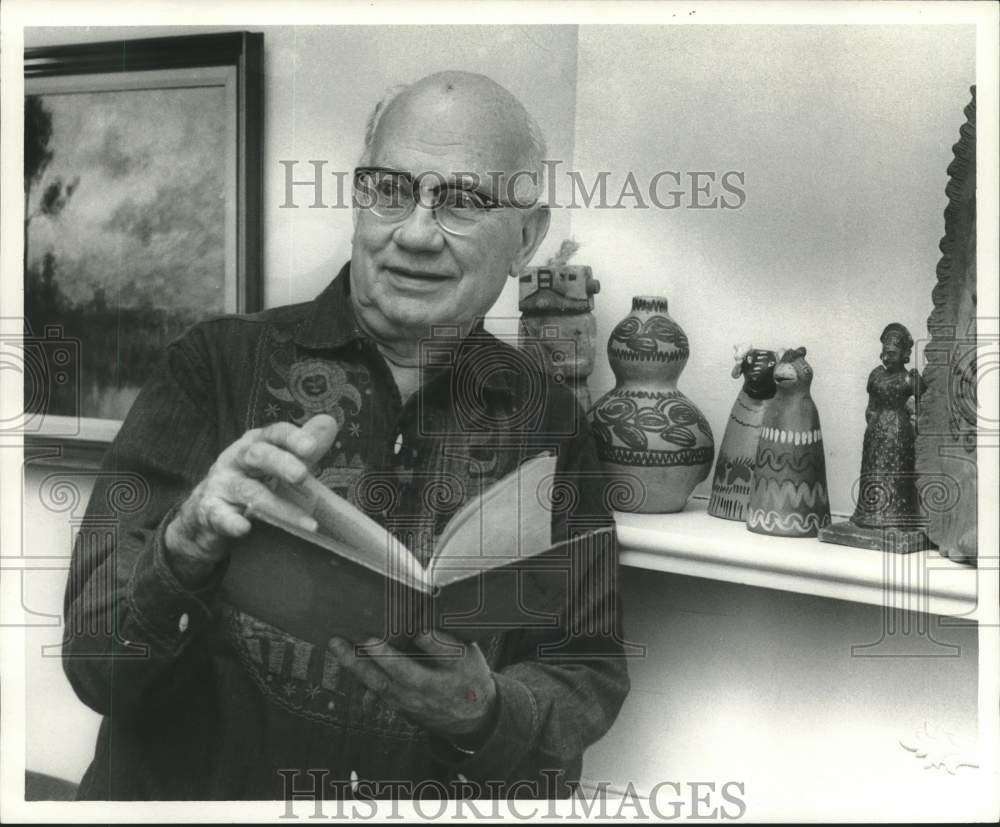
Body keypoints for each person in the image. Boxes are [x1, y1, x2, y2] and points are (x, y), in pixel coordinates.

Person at [62, 70, 631, 801]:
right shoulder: (214, 365)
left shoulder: (550, 420)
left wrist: (485, 711)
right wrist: (186, 545)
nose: (416, 233)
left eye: (461, 201)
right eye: (389, 189)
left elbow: (586, 668)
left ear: (527, 236)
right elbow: (92, 662)